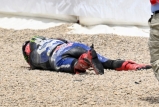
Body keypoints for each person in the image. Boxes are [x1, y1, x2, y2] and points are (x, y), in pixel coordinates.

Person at [22, 36, 151, 74]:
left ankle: (83, 60)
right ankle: (132, 66)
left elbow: (37, 62)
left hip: (57, 56)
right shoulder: (53, 40)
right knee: (107, 62)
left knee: (74, 66)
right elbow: (65, 40)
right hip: (73, 45)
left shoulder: (34, 55)